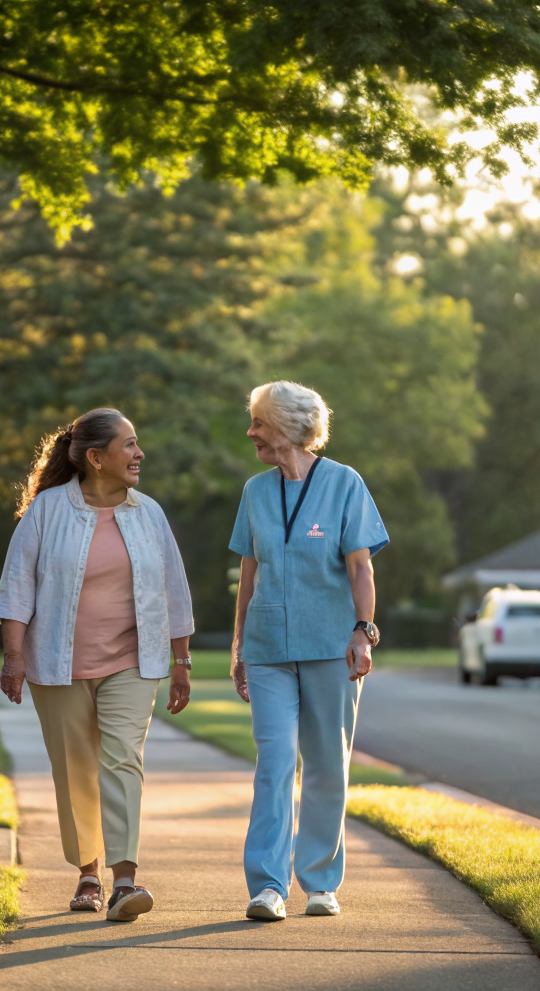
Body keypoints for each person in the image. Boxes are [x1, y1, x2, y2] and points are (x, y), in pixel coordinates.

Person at [0, 407, 195, 922]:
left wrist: (182, 660)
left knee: (123, 758)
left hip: (133, 659)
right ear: (96, 458)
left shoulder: (149, 513)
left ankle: (125, 881)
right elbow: (17, 586)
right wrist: (13, 658)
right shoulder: (47, 510)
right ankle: (88, 874)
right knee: (75, 768)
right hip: (57, 663)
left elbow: (174, 589)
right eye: (129, 445)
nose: (139, 453)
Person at [229, 380, 388, 921]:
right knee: (274, 762)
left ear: (289, 427)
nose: (251, 432)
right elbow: (248, 573)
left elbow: (361, 567)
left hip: (331, 646)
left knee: (326, 765)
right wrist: (238, 645)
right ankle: (268, 887)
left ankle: (320, 882)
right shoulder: (255, 491)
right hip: (267, 647)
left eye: (259, 423)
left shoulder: (344, 483)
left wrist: (363, 631)